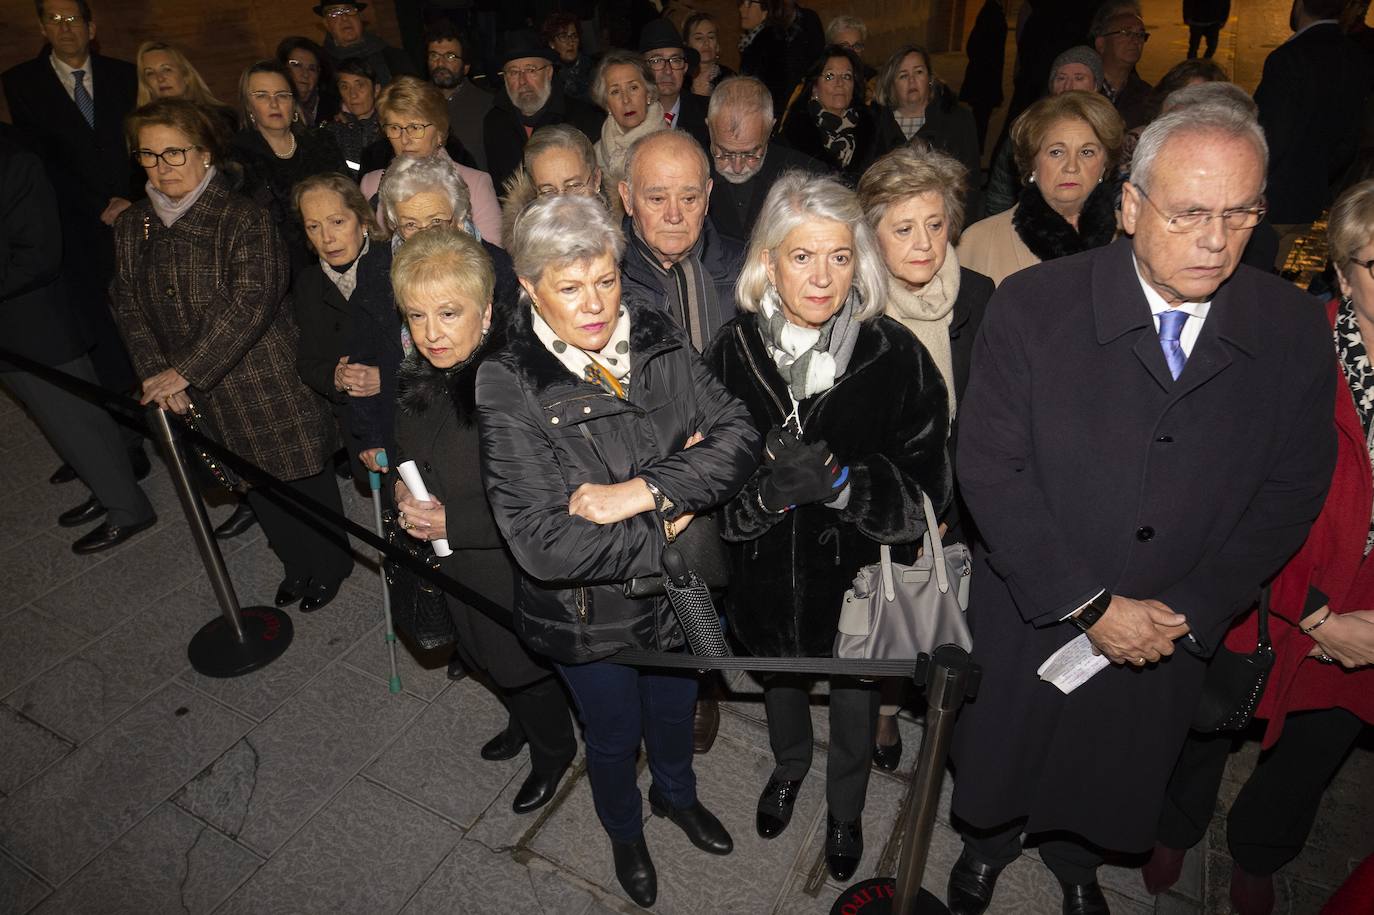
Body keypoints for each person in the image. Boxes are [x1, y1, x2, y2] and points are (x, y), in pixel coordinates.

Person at [945, 101, 1337, 915]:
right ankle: (984, 847)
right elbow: (989, 467)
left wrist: (1191, 606)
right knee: (1004, 746)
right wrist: (1086, 601)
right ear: (1128, 205)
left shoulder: (1294, 327)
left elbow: (1294, 487)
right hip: (1037, 605)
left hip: (1167, 622)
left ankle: (1078, 859)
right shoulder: (1033, 305)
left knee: (1113, 760)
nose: (1215, 238)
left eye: (1240, 213)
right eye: (1189, 211)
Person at [477, 194, 759, 908]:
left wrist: (638, 492)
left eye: (604, 278)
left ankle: (675, 796)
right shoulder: (507, 379)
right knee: (611, 733)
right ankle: (624, 829)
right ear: (531, 288)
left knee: (674, 707)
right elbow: (544, 543)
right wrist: (674, 513)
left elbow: (739, 436)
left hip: (678, 593)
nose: (596, 303)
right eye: (570, 288)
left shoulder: (655, 332)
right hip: (586, 616)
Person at [705, 170, 951, 883]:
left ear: (860, 261)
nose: (822, 276)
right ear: (769, 262)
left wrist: (847, 488)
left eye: (839, 256)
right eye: (802, 256)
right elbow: (707, 477)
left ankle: (845, 805)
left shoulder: (894, 356)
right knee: (781, 680)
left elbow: (932, 492)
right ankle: (787, 766)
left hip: (857, 588)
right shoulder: (732, 351)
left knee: (853, 697)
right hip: (766, 580)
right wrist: (760, 500)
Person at [1143, 178, 1374, 915]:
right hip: (1274, 588)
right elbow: (1237, 489)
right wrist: (1311, 613)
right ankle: (1173, 823)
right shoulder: (1290, 344)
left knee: (1316, 749)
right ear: (1341, 272)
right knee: (1212, 717)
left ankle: (1260, 849)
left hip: (1370, 611)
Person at [113, 99, 352, 612]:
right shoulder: (134, 225)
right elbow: (127, 303)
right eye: (149, 156)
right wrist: (158, 375)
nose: (162, 167)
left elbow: (251, 301)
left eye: (175, 153)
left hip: (266, 379)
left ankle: (331, 563)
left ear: (204, 154)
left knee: (301, 477)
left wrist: (183, 371)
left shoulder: (242, 216)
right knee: (252, 483)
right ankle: (295, 564)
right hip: (193, 389)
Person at [390, 226, 578, 815]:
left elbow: (546, 496)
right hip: (456, 568)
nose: (432, 333)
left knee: (525, 666)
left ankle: (554, 753)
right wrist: (404, 488)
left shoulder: (514, 384)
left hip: (508, 569)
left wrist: (453, 521)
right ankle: (523, 726)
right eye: (417, 316)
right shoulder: (422, 375)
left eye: (449, 313)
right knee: (482, 655)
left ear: (488, 310)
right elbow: (412, 447)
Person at [857, 144, 993, 768]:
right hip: (885, 498)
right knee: (883, 608)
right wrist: (908, 502)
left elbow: (994, 414)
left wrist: (949, 496)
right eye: (903, 228)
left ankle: (939, 712)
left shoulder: (983, 299)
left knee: (942, 610)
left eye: (935, 225)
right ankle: (882, 714)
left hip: (963, 494)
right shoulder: (853, 308)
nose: (923, 243)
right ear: (873, 234)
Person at [2, 0, 148, 486]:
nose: (66, 29)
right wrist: (95, 203)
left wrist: (126, 197)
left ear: (92, 26)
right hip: (76, 231)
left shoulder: (125, 74)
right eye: (55, 21)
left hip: (135, 218)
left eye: (74, 20)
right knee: (100, 337)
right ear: (43, 27)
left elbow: (140, 143)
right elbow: (40, 161)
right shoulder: (22, 82)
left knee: (147, 322)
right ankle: (125, 442)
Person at [0, 125, 156, 554]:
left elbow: (38, 256)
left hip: (37, 327)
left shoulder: (15, 162)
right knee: (61, 424)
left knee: (78, 421)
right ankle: (106, 488)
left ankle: (128, 508)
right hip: (11, 332)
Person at [357, 153, 517, 475]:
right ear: (394, 224)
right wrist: (372, 432)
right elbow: (366, 355)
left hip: (477, 425)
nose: (424, 235)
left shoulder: (497, 268)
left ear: (458, 217)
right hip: (405, 421)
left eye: (435, 222)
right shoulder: (376, 268)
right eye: (410, 225)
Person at [1254, 0, 1374, 270]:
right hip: (1322, 204)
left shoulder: (1288, 58)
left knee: (1264, 291)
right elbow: (1351, 140)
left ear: (1298, 6)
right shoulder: (1357, 58)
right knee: (1299, 286)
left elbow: (1270, 136)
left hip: (1276, 207)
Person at [957, 91, 1122, 286]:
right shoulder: (980, 242)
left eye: (1086, 152)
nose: (1071, 166)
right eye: (1056, 152)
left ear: (1105, 163)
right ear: (1032, 163)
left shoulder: (1132, 236)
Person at [291, 173, 389, 484]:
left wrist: (385, 377)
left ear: (362, 221)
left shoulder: (394, 265)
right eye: (313, 227)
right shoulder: (308, 284)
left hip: (407, 414)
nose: (326, 238)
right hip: (358, 424)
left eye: (336, 222)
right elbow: (307, 363)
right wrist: (335, 376)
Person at [618, 130, 742, 353]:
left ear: (707, 196)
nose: (674, 216)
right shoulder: (601, 283)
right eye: (657, 199)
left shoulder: (750, 274)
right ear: (627, 198)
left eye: (689, 199)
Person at [229, 61, 346, 275]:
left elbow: (348, 202)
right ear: (249, 106)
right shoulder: (236, 158)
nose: (274, 104)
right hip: (273, 269)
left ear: (293, 103)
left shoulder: (321, 143)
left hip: (334, 256)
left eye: (282, 95)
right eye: (262, 96)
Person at [359, 76, 503, 246]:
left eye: (415, 127)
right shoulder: (371, 185)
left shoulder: (475, 183)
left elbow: (493, 258)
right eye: (395, 128)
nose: (405, 139)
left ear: (440, 132)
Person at [983, 46, 1104, 218]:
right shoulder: (1028, 127)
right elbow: (1001, 189)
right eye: (1061, 78)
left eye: (1079, 78)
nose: (1068, 86)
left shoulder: (1108, 129)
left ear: (1096, 85)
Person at [706, 75, 824, 242]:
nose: (738, 167)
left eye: (750, 153)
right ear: (709, 128)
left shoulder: (809, 177)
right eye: (725, 153)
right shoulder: (687, 173)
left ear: (770, 129)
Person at [483, 31, 603, 192]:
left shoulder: (585, 117)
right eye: (513, 72)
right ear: (504, 78)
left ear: (549, 72)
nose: (522, 81)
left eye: (531, 70)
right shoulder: (494, 122)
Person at [871, 45, 981, 215]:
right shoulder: (876, 124)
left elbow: (970, 182)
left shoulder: (957, 120)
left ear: (930, 78)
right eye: (903, 76)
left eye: (919, 72)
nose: (912, 81)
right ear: (892, 85)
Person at [499, 124, 615, 240]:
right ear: (535, 194)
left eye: (573, 186)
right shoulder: (523, 250)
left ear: (596, 180)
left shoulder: (627, 243)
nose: (562, 202)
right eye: (548, 191)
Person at [780, 46, 876, 185]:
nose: (840, 83)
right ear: (814, 88)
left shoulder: (872, 126)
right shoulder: (795, 132)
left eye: (847, 76)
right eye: (830, 76)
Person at [425, 18, 493, 172]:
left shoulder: (487, 106)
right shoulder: (416, 103)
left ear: (466, 67)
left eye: (450, 57)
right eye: (434, 56)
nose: (440, 64)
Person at [739, 0, 825, 118]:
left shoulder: (771, 39)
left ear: (766, 9)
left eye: (749, 3)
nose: (742, 9)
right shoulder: (757, 40)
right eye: (741, 3)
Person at [591, 50, 664, 187]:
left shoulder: (673, 147)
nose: (626, 100)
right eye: (615, 92)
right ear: (607, 104)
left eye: (633, 88)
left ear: (648, 94)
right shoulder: (593, 158)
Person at [134, 41, 237, 137]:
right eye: (150, 73)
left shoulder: (220, 118)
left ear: (186, 75)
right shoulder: (142, 125)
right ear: (145, 84)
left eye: (166, 69)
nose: (160, 78)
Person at [639, 19, 710, 148]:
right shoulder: (630, 117)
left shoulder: (708, 114)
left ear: (685, 67)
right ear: (642, 68)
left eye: (675, 60)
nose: (668, 70)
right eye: (656, 60)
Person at [317, 1, 417, 87]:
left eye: (349, 10)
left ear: (360, 17)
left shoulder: (393, 57)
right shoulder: (320, 67)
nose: (344, 18)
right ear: (326, 23)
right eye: (335, 13)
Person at [1091, 0, 1154, 130]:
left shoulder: (1146, 95)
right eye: (1126, 32)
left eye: (1140, 34)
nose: (1135, 40)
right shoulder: (1077, 85)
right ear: (1101, 43)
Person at [959, 0, 1007, 156]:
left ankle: (974, 150)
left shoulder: (991, 12)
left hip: (985, 76)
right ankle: (974, 151)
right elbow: (974, 46)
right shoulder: (992, 14)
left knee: (979, 118)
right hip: (985, 78)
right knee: (979, 119)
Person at [325, 58, 381, 176]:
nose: (353, 94)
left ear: (376, 90)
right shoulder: (333, 132)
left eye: (360, 85)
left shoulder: (391, 127)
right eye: (345, 87)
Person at [276, 36, 338, 127]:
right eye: (296, 65)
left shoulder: (334, 108)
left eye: (312, 69)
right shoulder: (274, 107)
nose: (305, 74)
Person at [544, 11, 593, 102]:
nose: (570, 42)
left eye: (574, 36)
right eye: (563, 36)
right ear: (552, 43)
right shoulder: (547, 75)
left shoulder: (594, 69)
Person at [683, 12, 734, 98]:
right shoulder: (680, 78)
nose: (706, 43)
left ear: (717, 45)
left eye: (711, 37)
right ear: (687, 45)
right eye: (699, 38)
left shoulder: (730, 79)